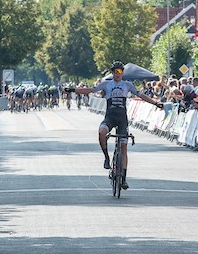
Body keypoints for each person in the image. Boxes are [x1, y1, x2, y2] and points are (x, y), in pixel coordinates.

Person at [67, 61, 163, 190]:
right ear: (112, 73)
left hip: (122, 119)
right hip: (110, 118)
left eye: (120, 71)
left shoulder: (127, 85)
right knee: (101, 132)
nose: (117, 74)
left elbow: (141, 95)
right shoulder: (107, 84)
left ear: (123, 72)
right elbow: (90, 90)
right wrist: (73, 90)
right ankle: (106, 158)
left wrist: (156, 104)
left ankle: (123, 179)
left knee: (124, 148)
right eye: (115, 71)